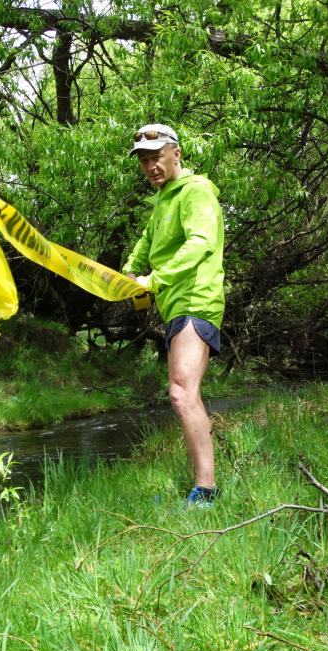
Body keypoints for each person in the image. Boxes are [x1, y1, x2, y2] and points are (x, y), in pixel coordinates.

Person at [122, 123, 225, 508]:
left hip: (196, 301)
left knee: (183, 393)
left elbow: (201, 243)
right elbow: (144, 245)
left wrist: (154, 279)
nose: (150, 167)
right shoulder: (163, 200)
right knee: (182, 394)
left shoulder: (195, 192)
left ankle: (206, 491)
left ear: (176, 154)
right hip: (175, 304)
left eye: (156, 158)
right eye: (145, 162)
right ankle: (200, 486)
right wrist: (129, 274)